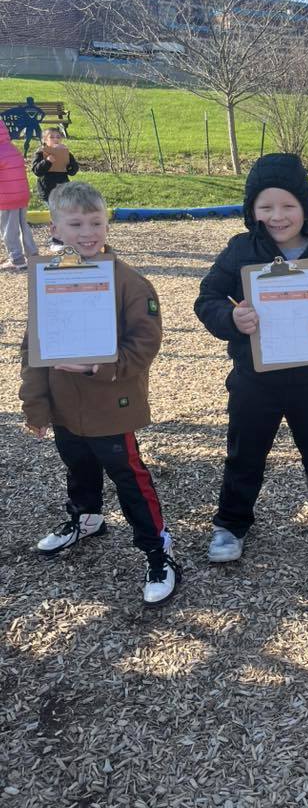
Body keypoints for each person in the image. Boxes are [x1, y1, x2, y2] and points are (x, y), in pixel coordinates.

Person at [194, 153, 308, 563]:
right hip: (255, 378)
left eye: (288, 205)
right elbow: (207, 297)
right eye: (266, 206)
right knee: (245, 451)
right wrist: (231, 318)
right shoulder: (240, 250)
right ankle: (231, 523)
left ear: (305, 208)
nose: (278, 216)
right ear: (252, 210)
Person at [19, 182, 180, 607]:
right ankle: (86, 518)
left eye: (96, 222)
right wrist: (35, 404)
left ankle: (158, 550)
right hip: (64, 404)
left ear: (107, 223)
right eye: (75, 223)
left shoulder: (130, 283)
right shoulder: (47, 275)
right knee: (78, 465)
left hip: (111, 405)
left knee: (129, 477)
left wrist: (98, 366)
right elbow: (32, 345)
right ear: (54, 226)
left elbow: (146, 344)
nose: (87, 231)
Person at [32, 127, 80, 252]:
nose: (55, 139)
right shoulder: (41, 153)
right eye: (52, 137)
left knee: (65, 214)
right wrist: (47, 161)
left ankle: (64, 238)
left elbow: (73, 171)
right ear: (45, 140)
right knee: (57, 215)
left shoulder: (66, 152)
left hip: (63, 188)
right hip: (48, 189)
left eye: (58, 137)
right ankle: (56, 240)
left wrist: (70, 164)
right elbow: (37, 171)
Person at [0, 116, 38, 272]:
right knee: (23, 226)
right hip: (21, 194)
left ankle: (17, 259)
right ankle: (33, 255)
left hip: (7, 197)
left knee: (9, 230)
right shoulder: (11, 147)